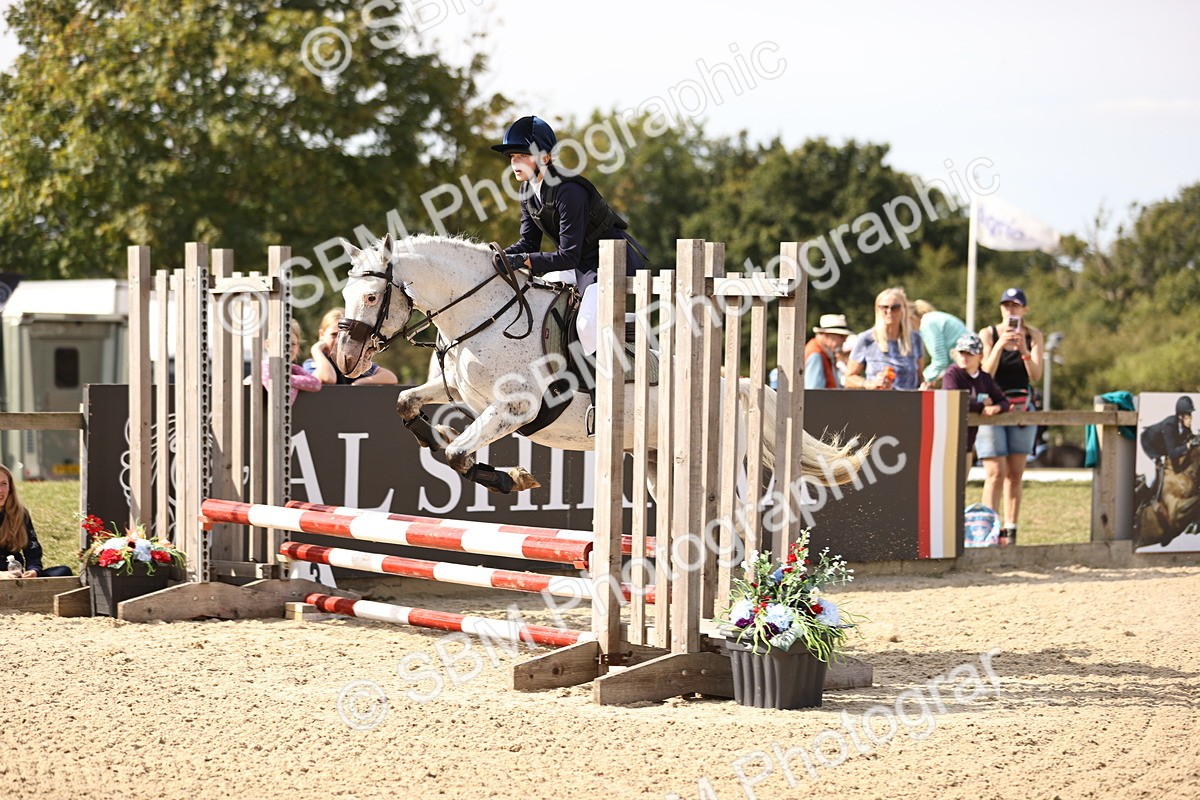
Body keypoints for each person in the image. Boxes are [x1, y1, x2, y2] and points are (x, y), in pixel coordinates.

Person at [493, 115, 649, 432]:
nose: (515, 162)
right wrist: (495, 255)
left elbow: (568, 255)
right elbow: (527, 243)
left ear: (545, 157)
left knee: (587, 324)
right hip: (576, 264)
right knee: (537, 303)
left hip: (608, 261)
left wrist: (525, 260)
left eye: (522, 154)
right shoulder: (527, 192)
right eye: (512, 156)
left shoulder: (568, 191)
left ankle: (600, 399)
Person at [977, 287, 1045, 545]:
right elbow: (985, 374)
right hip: (992, 410)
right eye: (1006, 305)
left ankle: (1010, 530)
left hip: (1022, 410)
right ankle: (987, 531)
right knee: (995, 472)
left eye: (1016, 305)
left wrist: (1024, 348)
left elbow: (1036, 375)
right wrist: (1000, 346)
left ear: (1025, 310)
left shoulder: (1034, 334)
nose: (1010, 310)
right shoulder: (989, 333)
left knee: (1015, 474)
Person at [942, 334, 1011, 472]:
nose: (964, 357)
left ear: (980, 356)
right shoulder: (952, 374)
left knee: (962, 486)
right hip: (946, 443)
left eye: (970, 353)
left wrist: (996, 408)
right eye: (961, 353)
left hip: (968, 444)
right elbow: (953, 400)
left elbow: (1004, 402)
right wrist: (981, 406)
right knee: (947, 487)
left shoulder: (984, 378)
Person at [844, 287, 926, 390]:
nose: (889, 311)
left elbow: (919, 377)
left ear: (904, 309)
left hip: (909, 402)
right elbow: (849, 378)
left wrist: (924, 385)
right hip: (878, 402)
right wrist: (869, 384)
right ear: (877, 309)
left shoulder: (915, 339)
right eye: (884, 307)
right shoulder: (867, 339)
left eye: (895, 307)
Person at [0, 464, 73, 578]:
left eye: (3, 484)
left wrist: (34, 570)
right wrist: (2, 575)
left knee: (63, 572)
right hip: (3, 576)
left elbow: (32, 547)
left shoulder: (20, 513)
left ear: (10, 487)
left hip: (16, 575)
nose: (0, 490)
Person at [304, 308, 399, 386]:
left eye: (344, 336)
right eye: (334, 335)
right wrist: (316, 350)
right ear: (322, 334)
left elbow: (390, 377)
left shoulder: (353, 362)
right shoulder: (313, 363)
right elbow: (328, 378)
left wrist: (360, 382)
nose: (339, 341)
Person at [1140, 396, 1197, 495]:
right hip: (1149, 445)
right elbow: (1172, 453)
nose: (1190, 420)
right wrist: (1188, 446)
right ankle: (1142, 502)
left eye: (1190, 416)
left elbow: (1189, 440)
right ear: (1180, 417)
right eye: (1187, 417)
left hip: (1163, 447)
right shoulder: (1169, 425)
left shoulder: (1185, 427)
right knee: (1152, 478)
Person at [259, 319, 322, 403]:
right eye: (282, 343)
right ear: (268, 345)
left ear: (298, 346)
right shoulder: (264, 367)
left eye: (292, 344)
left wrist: (288, 379)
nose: (288, 348)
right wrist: (295, 383)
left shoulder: (294, 369)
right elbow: (280, 394)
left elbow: (316, 384)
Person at [910, 300, 968, 388]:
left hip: (964, 365)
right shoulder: (935, 317)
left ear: (911, 318)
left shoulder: (927, 324)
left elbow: (940, 361)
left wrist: (922, 380)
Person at [804, 313, 852, 389]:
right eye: (841, 336)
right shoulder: (816, 356)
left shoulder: (822, 353)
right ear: (826, 336)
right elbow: (813, 393)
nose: (844, 340)